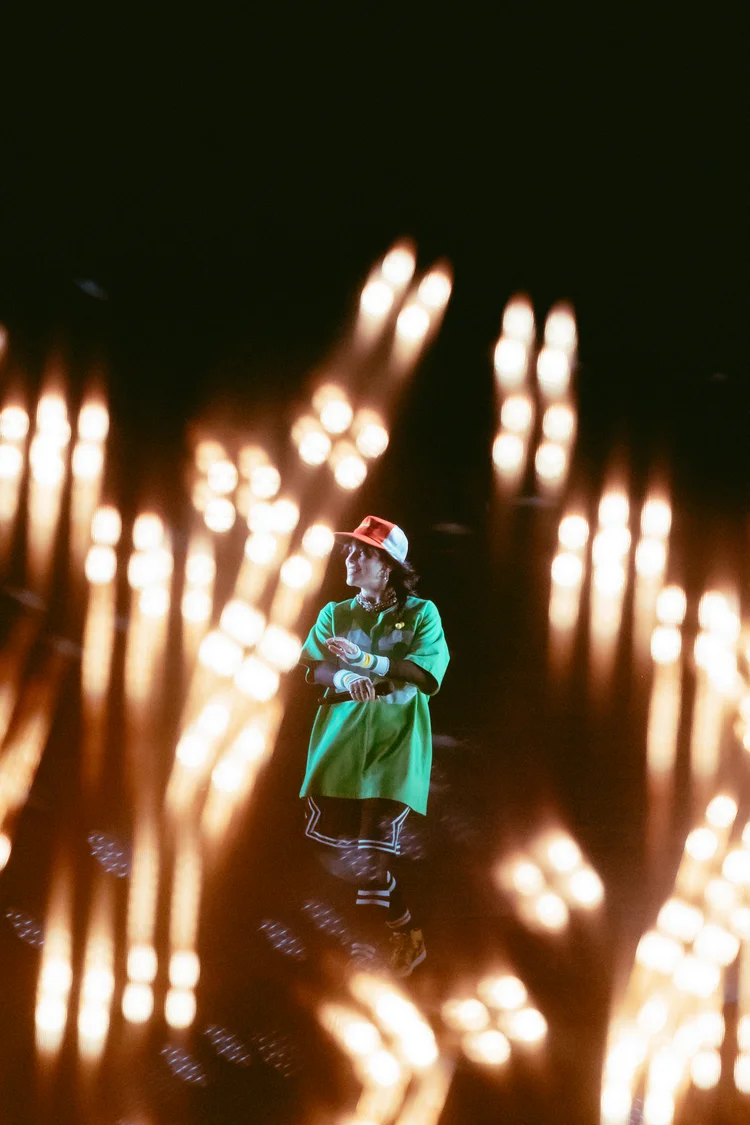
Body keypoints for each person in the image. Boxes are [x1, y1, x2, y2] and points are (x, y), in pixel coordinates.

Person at [298, 515, 449, 976]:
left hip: (394, 749)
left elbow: (425, 673)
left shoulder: (422, 613)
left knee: (371, 854)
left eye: (362, 552)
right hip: (341, 751)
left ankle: (368, 956)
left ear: (389, 567)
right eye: (350, 550)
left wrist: (370, 661)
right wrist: (343, 675)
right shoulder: (335, 613)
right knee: (354, 858)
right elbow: (312, 665)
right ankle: (402, 931)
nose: (350, 557)